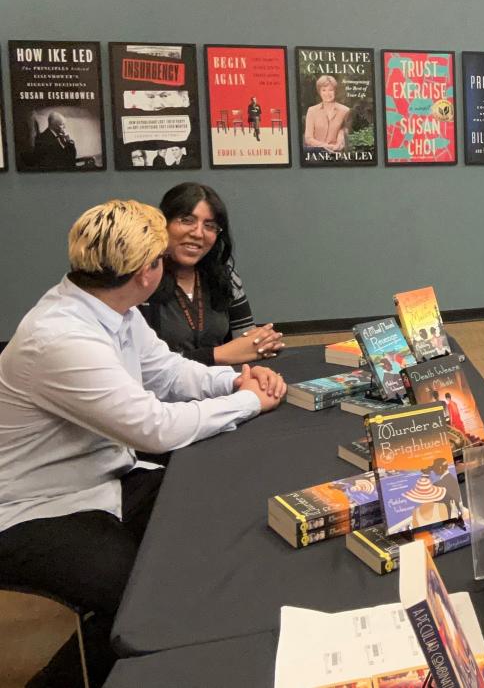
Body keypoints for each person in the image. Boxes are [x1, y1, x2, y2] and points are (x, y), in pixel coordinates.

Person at [0, 199, 286, 684]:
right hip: (33, 508)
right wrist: (250, 403)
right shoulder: (61, 338)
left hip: (103, 477)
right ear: (147, 272)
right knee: (142, 600)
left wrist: (235, 383)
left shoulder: (112, 307)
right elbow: (155, 428)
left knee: (216, 523)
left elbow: (168, 372)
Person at [139, 183, 284, 365]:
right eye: (187, 220)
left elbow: (246, 342)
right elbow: (142, 364)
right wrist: (217, 354)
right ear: (163, 223)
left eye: (210, 226)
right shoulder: (141, 276)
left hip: (220, 384)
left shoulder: (224, 275)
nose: (199, 233)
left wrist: (263, 342)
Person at [303, 74, 352, 153]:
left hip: (337, 154)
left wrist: (339, 144)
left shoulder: (345, 111)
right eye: (324, 90)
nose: (327, 93)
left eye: (330, 90)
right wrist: (326, 146)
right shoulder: (312, 111)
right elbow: (308, 138)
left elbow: (343, 132)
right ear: (319, 92)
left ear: (335, 91)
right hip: (316, 154)